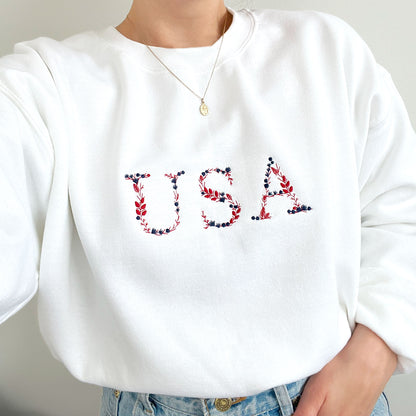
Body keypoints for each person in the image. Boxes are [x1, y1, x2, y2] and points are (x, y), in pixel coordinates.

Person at [0, 0, 415, 415]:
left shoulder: (325, 50)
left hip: (328, 398)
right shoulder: (47, 85)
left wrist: (376, 349)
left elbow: (400, 208)